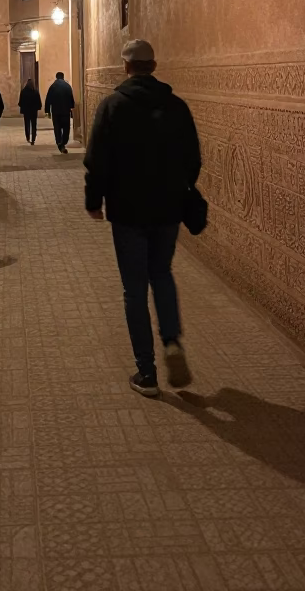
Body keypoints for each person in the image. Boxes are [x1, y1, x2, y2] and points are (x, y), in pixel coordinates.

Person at [84, 39, 201, 397]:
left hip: (128, 211)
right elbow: (193, 158)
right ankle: (171, 341)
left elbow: (97, 160)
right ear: (154, 64)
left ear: (126, 67)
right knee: (162, 274)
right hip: (167, 210)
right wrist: (178, 188)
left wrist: (95, 200)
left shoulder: (113, 106)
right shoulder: (176, 107)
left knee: (134, 288)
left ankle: (147, 373)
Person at [44, 71, 75, 152]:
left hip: (56, 112)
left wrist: (47, 111)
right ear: (63, 77)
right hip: (65, 112)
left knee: (57, 128)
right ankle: (64, 142)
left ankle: (59, 143)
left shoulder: (53, 86)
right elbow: (71, 99)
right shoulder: (67, 86)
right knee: (66, 128)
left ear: (56, 77)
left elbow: (48, 99)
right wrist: (72, 107)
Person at [18, 77, 42, 145]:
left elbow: (20, 102)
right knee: (34, 125)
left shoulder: (23, 92)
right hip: (34, 111)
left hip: (26, 111)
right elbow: (39, 102)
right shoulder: (35, 91)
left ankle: (28, 137)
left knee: (27, 124)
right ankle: (33, 139)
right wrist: (38, 107)